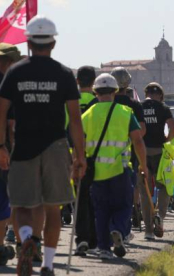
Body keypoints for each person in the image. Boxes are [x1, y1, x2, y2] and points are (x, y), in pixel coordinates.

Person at [0, 15, 86, 276]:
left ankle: (27, 237)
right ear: (53, 43)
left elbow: (0, 113)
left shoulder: (15, 71)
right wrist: (80, 155)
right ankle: (46, 264)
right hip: (56, 147)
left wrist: (0, 146)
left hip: (23, 147)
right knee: (52, 207)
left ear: (29, 42)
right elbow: (76, 120)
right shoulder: (64, 74)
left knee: (21, 205)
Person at [82, 73, 148, 260]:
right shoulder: (126, 113)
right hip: (120, 170)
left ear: (95, 92)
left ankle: (104, 248)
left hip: (96, 173)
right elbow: (138, 141)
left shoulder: (87, 114)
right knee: (124, 205)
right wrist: (143, 165)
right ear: (115, 91)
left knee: (100, 211)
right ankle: (118, 229)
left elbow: (79, 140)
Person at [0, 43, 21, 266]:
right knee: (1, 199)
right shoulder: (9, 86)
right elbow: (11, 125)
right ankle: (0, 248)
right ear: (9, 63)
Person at [110, 67, 146, 243]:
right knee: (127, 194)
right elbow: (142, 131)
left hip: (104, 154)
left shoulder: (103, 102)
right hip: (128, 155)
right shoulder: (135, 105)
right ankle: (124, 228)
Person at [139, 82, 174, 240]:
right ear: (160, 95)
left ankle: (148, 230)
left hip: (142, 151)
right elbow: (173, 128)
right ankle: (160, 216)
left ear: (145, 93)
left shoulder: (139, 106)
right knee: (165, 187)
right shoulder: (163, 108)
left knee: (145, 191)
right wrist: (166, 140)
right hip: (160, 151)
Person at [73, 66, 98, 256]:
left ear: (77, 81)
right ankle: (95, 237)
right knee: (96, 198)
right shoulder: (99, 104)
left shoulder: (70, 102)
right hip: (97, 156)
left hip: (75, 155)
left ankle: (82, 237)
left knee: (79, 198)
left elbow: (66, 129)